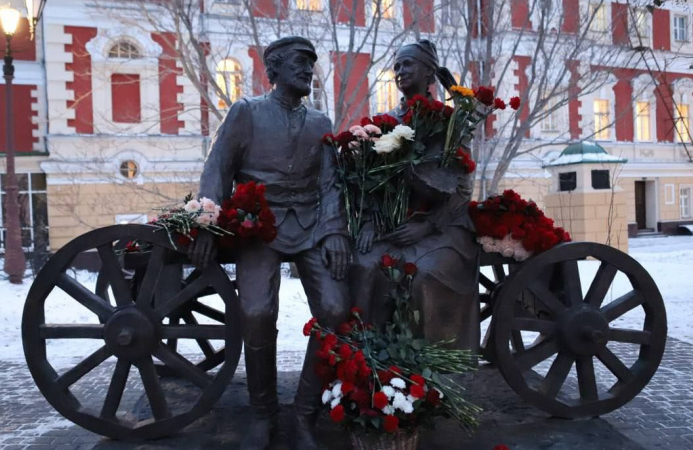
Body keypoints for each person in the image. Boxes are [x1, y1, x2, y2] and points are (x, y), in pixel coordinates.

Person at [188, 37, 351, 450]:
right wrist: (208, 224)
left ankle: (303, 416)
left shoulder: (320, 122)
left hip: (312, 225)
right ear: (273, 69)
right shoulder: (247, 113)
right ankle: (264, 414)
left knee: (335, 308)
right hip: (258, 225)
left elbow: (331, 183)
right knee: (257, 311)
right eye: (300, 62)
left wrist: (333, 231)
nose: (308, 70)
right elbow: (218, 169)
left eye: (312, 64)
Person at [350, 40, 481, 355]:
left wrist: (428, 225)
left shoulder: (452, 121)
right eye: (396, 67)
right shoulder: (383, 123)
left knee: (422, 277)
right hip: (392, 225)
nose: (399, 72)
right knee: (365, 267)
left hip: (444, 227)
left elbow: (463, 185)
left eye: (407, 65)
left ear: (429, 72)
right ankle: (368, 362)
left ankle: (432, 368)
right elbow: (368, 183)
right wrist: (368, 222)